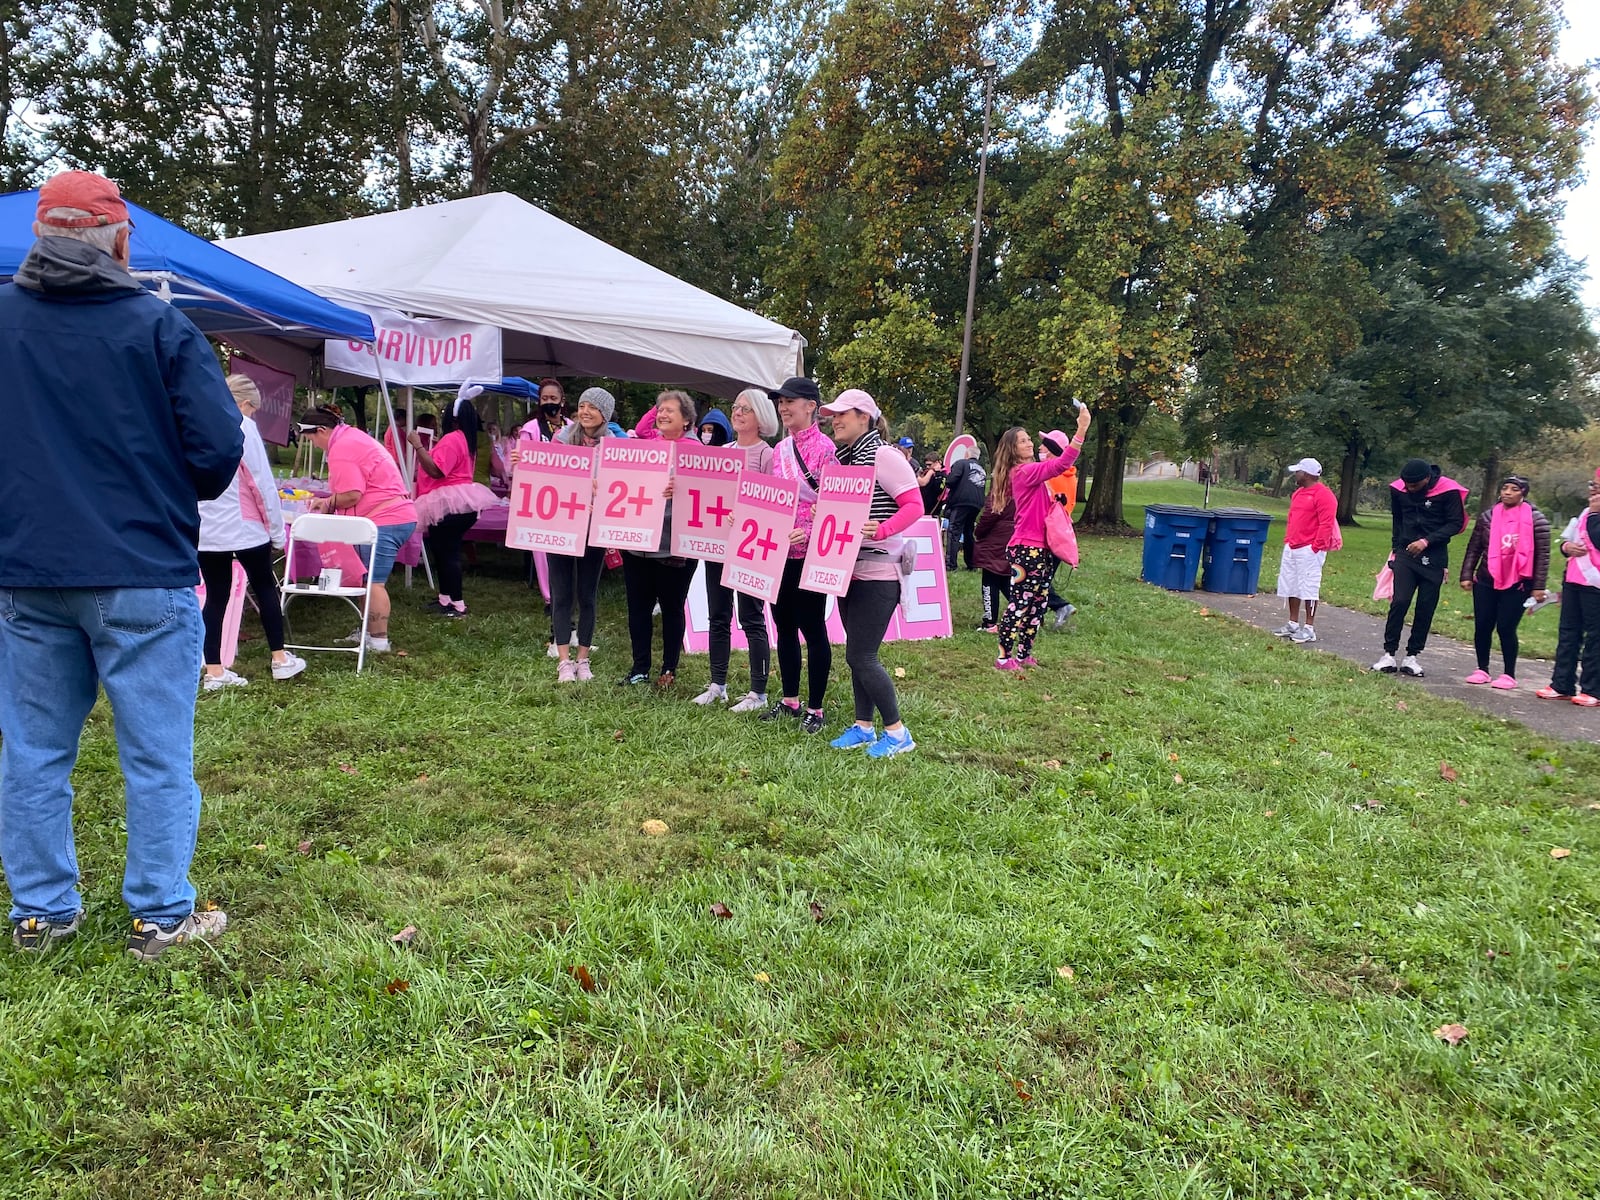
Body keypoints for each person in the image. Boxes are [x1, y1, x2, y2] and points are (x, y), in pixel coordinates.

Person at [0, 170, 243, 959]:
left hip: (27, 569)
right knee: (156, 754)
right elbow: (215, 452)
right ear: (122, 239)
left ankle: (40, 914)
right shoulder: (162, 328)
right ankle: (161, 916)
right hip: (141, 568)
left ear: (40, 233)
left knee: (32, 751)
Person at [820, 390, 926, 757]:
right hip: (846, 568)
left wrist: (880, 529)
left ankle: (898, 734)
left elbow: (915, 505)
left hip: (879, 571)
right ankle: (863, 726)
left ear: (864, 416)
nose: (835, 419)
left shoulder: (883, 455)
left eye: (842, 414)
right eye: (832, 414)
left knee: (862, 656)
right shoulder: (844, 460)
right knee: (855, 652)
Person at [198, 374, 305, 689]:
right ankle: (280, 659)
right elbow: (262, 485)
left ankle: (214, 671)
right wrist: (277, 534)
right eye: (253, 409)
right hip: (246, 527)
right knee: (266, 590)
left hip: (207, 530)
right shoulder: (243, 427)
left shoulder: (196, 426)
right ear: (244, 403)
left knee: (216, 597)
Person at [299, 409, 419, 654]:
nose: (315, 445)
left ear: (321, 431)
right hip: (389, 515)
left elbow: (353, 494)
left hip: (385, 519)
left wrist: (328, 502)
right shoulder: (352, 438)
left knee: (373, 582)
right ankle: (368, 632)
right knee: (366, 579)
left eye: (312, 439)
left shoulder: (342, 448)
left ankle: (379, 642)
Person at [762, 377, 840, 733]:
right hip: (779, 551)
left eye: (789, 401)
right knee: (783, 625)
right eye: (780, 402)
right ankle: (790, 699)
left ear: (811, 406)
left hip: (811, 554)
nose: (783, 407)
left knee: (812, 627)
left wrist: (808, 532)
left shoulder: (827, 450)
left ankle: (816, 708)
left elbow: (836, 505)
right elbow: (772, 498)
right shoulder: (779, 451)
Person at [696, 388, 778, 710]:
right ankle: (718, 684)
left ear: (760, 416)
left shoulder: (766, 455)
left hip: (750, 548)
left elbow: (775, 504)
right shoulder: (724, 451)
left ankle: (758, 692)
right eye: (735, 407)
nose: (738, 412)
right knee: (718, 615)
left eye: (746, 408)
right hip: (718, 545)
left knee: (751, 617)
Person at [995, 404, 1093, 670]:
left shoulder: (1031, 472)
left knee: (1037, 604)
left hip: (1041, 549)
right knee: (1020, 604)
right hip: (1026, 550)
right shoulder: (1024, 472)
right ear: (1013, 449)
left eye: (1029, 439)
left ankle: (1023, 655)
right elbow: (1063, 462)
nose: (1029, 443)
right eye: (1023, 441)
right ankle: (1003, 658)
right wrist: (1081, 428)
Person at [619, 390, 699, 688]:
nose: (662, 415)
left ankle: (669, 667)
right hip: (638, 540)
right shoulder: (645, 446)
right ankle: (639, 667)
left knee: (672, 606)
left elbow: (707, 492)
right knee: (637, 607)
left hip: (673, 543)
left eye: (670, 411)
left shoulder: (696, 451)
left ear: (687, 420)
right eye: (659, 410)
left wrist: (684, 485)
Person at [409, 385, 500, 619]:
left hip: (448, 501)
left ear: (452, 417)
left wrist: (418, 445)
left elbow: (437, 470)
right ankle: (446, 598)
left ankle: (457, 604)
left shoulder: (452, 438)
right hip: (460, 502)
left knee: (447, 552)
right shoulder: (465, 439)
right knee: (443, 550)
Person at [1372, 458, 1468, 677]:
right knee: (1400, 601)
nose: (1409, 490)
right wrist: (1396, 549)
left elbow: (1455, 523)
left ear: (1427, 479)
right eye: (1406, 485)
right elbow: (1398, 519)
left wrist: (1427, 541)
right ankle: (1388, 654)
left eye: (1414, 486)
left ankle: (1412, 656)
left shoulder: (1448, 491)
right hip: (1406, 553)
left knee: (1425, 607)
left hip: (1434, 556)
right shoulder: (1399, 490)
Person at [551, 387, 620, 681]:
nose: (585, 411)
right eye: (582, 405)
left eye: (593, 406)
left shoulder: (614, 447)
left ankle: (584, 659)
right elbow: (544, 475)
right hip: (560, 524)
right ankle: (564, 660)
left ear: (605, 413)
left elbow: (623, 484)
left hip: (594, 528)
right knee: (561, 593)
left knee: (587, 595)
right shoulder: (561, 439)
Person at [1457, 475, 1550, 689]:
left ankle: (1509, 674)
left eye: (1513, 489)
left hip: (1518, 582)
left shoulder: (1537, 520)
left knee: (1506, 628)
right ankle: (1482, 669)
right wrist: (1466, 574)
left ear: (1523, 493)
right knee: (1483, 625)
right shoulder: (1488, 517)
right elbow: (1474, 548)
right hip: (1487, 579)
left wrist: (1538, 586)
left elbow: (1543, 555)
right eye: (1505, 488)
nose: (1507, 492)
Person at [1536, 475, 1600, 705]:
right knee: (1568, 632)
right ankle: (1562, 683)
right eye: (1592, 486)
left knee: (1596, 637)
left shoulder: (1591, 514)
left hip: (1596, 584)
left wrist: (1594, 515)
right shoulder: (1585, 513)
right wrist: (1566, 547)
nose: (1592, 491)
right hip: (1574, 580)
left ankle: (1593, 689)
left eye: (1597, 487)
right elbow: (1568, 541)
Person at [1272, 457, 1340, 645]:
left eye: (1299, 471)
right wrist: (1289, 540)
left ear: (1307, 474)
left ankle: (1309, 628)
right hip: (1293, 545)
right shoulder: (1298, 493)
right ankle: (1293, 623)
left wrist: (1316, 546)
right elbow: (1293, 517)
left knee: (1309, 586)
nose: (1296, 474)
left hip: (1310, 548)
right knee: (1291, 584)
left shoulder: (1324, 495)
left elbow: (1326, 524)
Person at [942, 449, 986, 571]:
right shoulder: (982, 469)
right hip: (977, 503)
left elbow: (951, 481)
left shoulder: (961, 463)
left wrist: (947, 476)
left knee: (954, 531)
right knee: (968, 532)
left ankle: (951, 564)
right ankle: (971, 564)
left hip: (961, 501)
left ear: (967, 454)